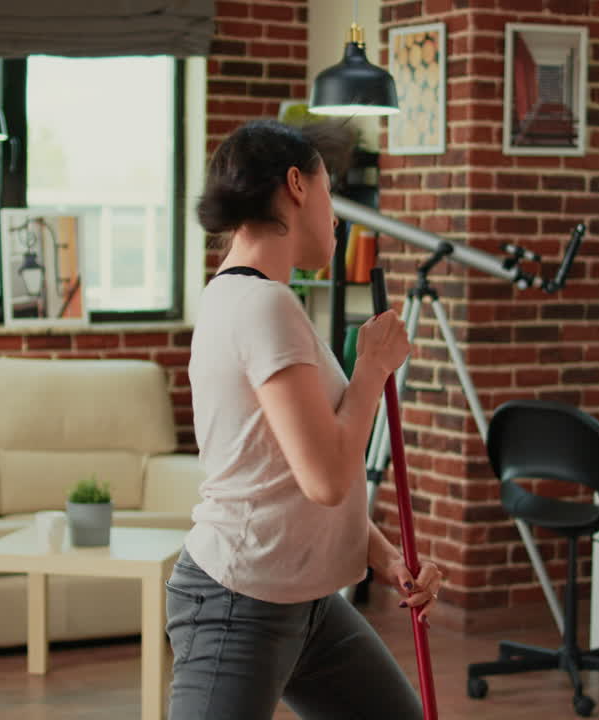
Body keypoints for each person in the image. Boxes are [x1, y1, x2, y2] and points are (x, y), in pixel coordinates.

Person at [166, 119, 443, 720]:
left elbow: (289, 475)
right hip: (239, 603)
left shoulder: (242, 297)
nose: (336, 214)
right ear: (296, 184)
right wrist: (371, 369)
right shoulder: (265, 304)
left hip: (309, 602)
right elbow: (326, 477)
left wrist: (386, 557)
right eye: (328, 190)